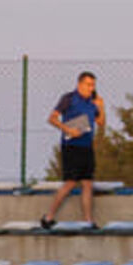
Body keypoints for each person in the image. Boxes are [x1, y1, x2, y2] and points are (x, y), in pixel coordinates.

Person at [42, 71, 107, 229]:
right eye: (88, 84)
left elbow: (100, 122)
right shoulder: (69, 98)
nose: (91, 88)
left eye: (93, 85)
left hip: (87, 147)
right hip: (71, 147)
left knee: (87, 183)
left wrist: (102, 107)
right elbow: (52, 118)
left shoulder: (92, 103)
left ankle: (88, 221)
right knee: (70, 183)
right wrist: (68, 130)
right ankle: (48, 217)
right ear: (80, 84)